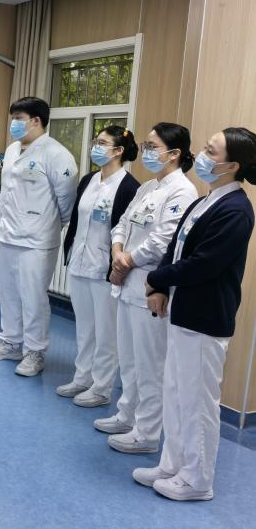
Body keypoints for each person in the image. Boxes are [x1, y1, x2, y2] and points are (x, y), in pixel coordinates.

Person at [133, 127, 256, 501]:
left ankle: (197, 479)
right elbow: (175, 247)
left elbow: (204, 263)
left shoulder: (236, 210)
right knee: (175, 393)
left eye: (211, 151)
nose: (202, 155)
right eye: (205, 147)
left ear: (232, 166)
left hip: (205, 318)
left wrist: (155, 278)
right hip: (182, 311)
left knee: (198, 402)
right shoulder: (205, 201)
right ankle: (172, 464)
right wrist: (158, 287)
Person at [96, 123, 198, 453]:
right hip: (126, 282)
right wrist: (117, 252)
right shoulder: (148, 187)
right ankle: (127, 415)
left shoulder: (182, 191)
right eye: (146, 146)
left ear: (174, 153)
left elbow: (162, 241)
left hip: (149, 287)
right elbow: (122, 223)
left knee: (150, 365)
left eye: (153, 147)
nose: (146, 152)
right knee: (129, 359)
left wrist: (125, 261)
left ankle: (147, 433)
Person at [0, 97, 78, 376]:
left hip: (37, 239)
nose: (13, 123)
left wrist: (46, 223)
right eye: (13, 118)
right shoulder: (12, 150)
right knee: (8, 293)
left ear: (36, 121)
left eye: (19, 118)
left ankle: (35, 352)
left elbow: (67, 200)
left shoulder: (57, 154)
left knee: (33, 298)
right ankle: (10, 342)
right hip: (7, 233)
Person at [56, 127, 139, 407]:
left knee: (106, 333)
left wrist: (119, 266)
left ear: (119, 151)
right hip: (79, 263)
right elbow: (77, 221)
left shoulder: (129, 187)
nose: (96, 147)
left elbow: (126, 232)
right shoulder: (89, 180)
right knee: (84, 328)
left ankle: (101, 388)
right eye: (96, 142)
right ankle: (82, 378)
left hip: (105, 269)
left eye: (102, 143)